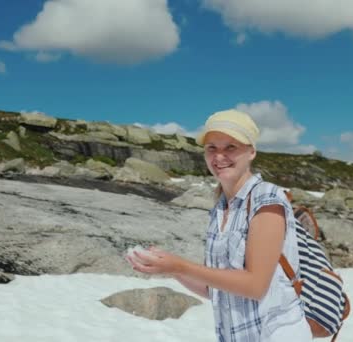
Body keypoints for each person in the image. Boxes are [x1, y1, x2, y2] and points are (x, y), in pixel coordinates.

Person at [126, 109, 312, 342]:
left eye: (230, 147)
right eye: (211, 148)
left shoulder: (267, 198)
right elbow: (216, 291)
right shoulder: (221, 208)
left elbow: (255, 285)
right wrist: (169, 269)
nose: (219, 156)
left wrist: (181, 266)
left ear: (252, 151)